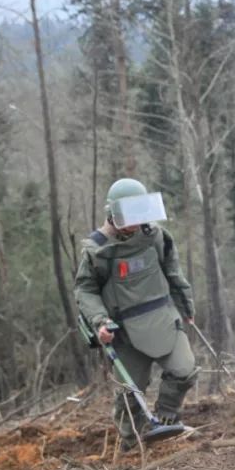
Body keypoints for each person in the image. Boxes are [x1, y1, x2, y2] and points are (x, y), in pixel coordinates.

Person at [74, 178, 198, 450]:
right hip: (124, 330)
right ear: (113, 213)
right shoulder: (98, 250)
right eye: (129, 213)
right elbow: (85, 290)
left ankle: (167, 418)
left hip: (162, 317)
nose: (135, 220)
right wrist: (100, 322)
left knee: (184, 370)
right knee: (131, 394)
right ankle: (132, 445)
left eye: (140, 211)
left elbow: (173, 273)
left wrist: (185, 306)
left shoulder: (156, 237)